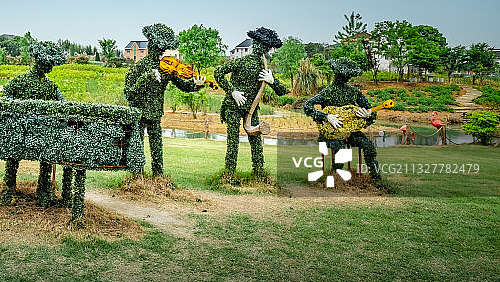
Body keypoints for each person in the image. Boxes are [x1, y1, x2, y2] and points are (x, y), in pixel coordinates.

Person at [124, 23, 205, 176]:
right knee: (138, 146)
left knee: (157, 148)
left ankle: (158, 178)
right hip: (139, 114)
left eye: (161, 50)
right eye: (157, 48)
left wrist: (196, 85)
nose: (159, 52)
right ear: (151, 46)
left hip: (155, 114)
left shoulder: (166, 67)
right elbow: (129, 92)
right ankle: (137, 177)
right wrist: (148, 77)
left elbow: (183, 85)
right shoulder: (140, 67)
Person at [214, 27, 287, 178]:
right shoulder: (241, 62)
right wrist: (232, 91)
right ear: (256, 44)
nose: (263, 48)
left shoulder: (264, 68)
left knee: (255, 141)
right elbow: (218, 72)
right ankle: (229, 175)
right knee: (233, 142)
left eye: (266, 46)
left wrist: (272, 81)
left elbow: (283, 90)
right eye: (262, 45)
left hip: (251, 110)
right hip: (233, 107)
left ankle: (259, 174)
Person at [0, 40, 67, 206]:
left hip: (20, 135)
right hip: (41, 137)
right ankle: (42, 191)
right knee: (45, 158)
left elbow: (5, 100)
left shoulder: (20, 81)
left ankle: (9, 189)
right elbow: (63, 106)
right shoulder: (51, 87)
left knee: (13, 157)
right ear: (44, 66)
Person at [302, 57, 381, 179]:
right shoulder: (327, 92)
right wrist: (326, 117)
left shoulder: (354, 92)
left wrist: (368, 114)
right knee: (338, 148)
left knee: (368, 145)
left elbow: (369, 110)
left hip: (351, 131)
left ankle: (376, 178)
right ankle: (336, 177)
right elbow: (307, 105)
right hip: (331, 132)